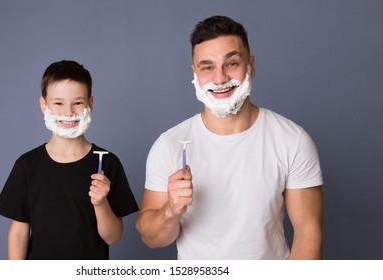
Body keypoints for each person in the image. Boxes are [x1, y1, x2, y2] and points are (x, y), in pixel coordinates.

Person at [136, 16, 323, 259]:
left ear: (251, 65)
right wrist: (171, 211)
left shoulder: (292, 140)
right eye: (207, 67)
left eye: (232, 63)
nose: (220, 78)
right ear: (195, 74)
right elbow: (151, 238)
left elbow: (309, 232)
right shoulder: (169, 144)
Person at [0, 60, 138, 260]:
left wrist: (100, 203)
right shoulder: (27, 165)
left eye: (78, 103)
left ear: (91, 104)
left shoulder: (107, 163)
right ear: (44, 105)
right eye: (58, 103)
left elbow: (113, 237)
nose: (68, 112)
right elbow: (19, 232)